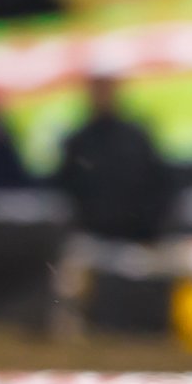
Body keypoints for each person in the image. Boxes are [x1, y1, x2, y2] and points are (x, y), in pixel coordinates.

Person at [50, 73, 176, 335]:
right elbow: (63, 195)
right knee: (70, 287)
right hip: (90, 242)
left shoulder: (136, 137)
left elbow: (161, 187)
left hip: (138, 242)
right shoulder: (77, 142)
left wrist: (151, 233)